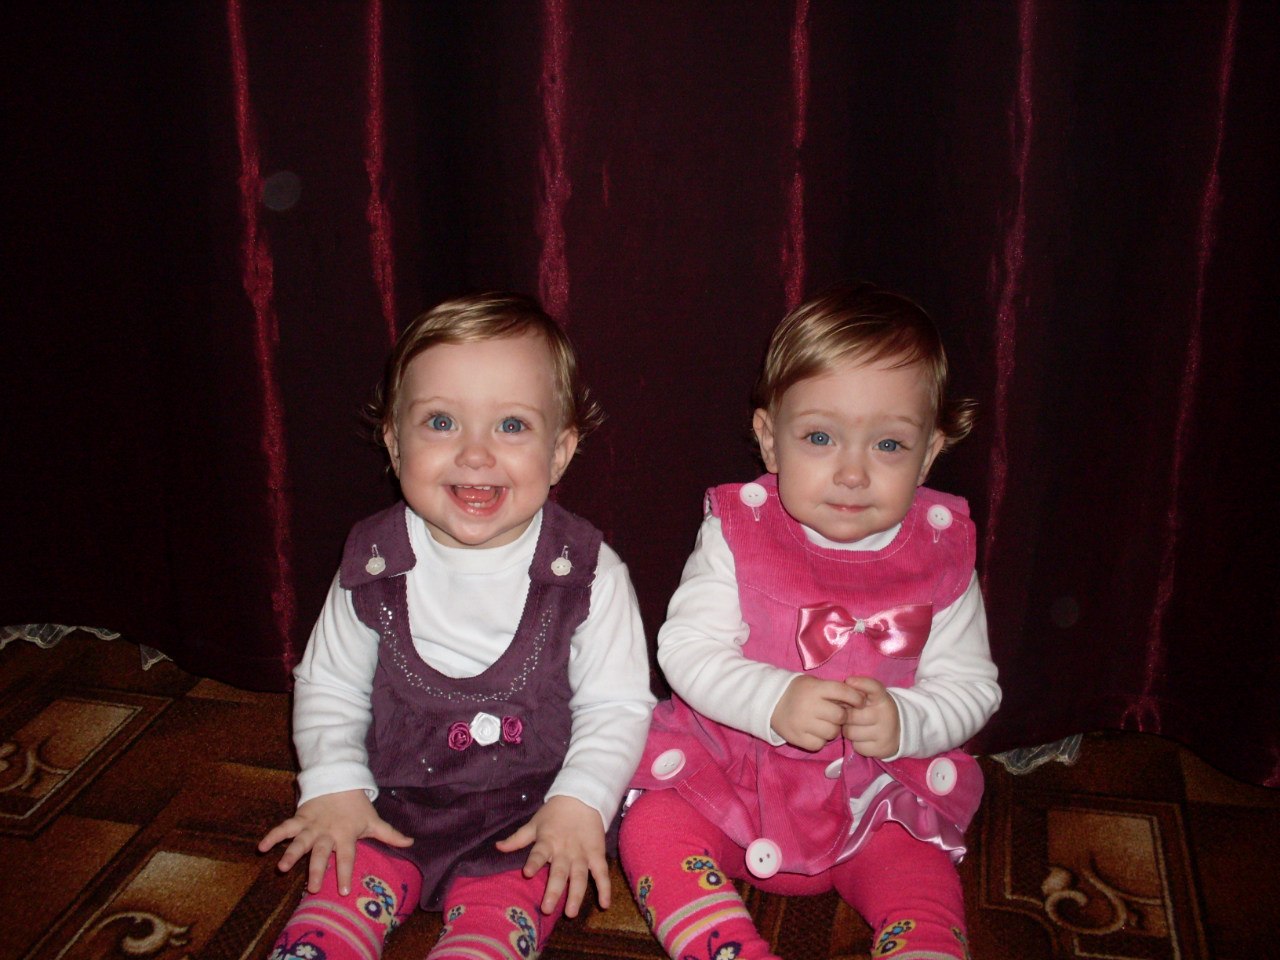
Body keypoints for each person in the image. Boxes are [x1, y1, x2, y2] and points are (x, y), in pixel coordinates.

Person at [260, 292, 655, 960]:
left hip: (528, 821)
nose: (475, 454)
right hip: (387, 808)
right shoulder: (373, 561)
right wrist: (334, 784)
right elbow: (329, 685)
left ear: (560, 452)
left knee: (494, 931)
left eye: (511, 426)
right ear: (394, 444)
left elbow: (615, 706)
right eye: (441, 422)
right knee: (332, 908)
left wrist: (581, 800)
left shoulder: (589, 573)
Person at [619, 283, 1001, 960]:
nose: (852, 472)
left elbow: (972, 686)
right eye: (820, 437)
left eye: (889, 444)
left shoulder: (942, 551)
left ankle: (922, 944)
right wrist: (773, 699)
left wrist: (908, 720)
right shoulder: (738, 529)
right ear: (770, 441)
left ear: (929, 453)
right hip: (730, 778)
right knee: (651, 826)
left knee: (918, 868)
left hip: (873, 799)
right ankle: (725, 947)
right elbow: (686, 647)